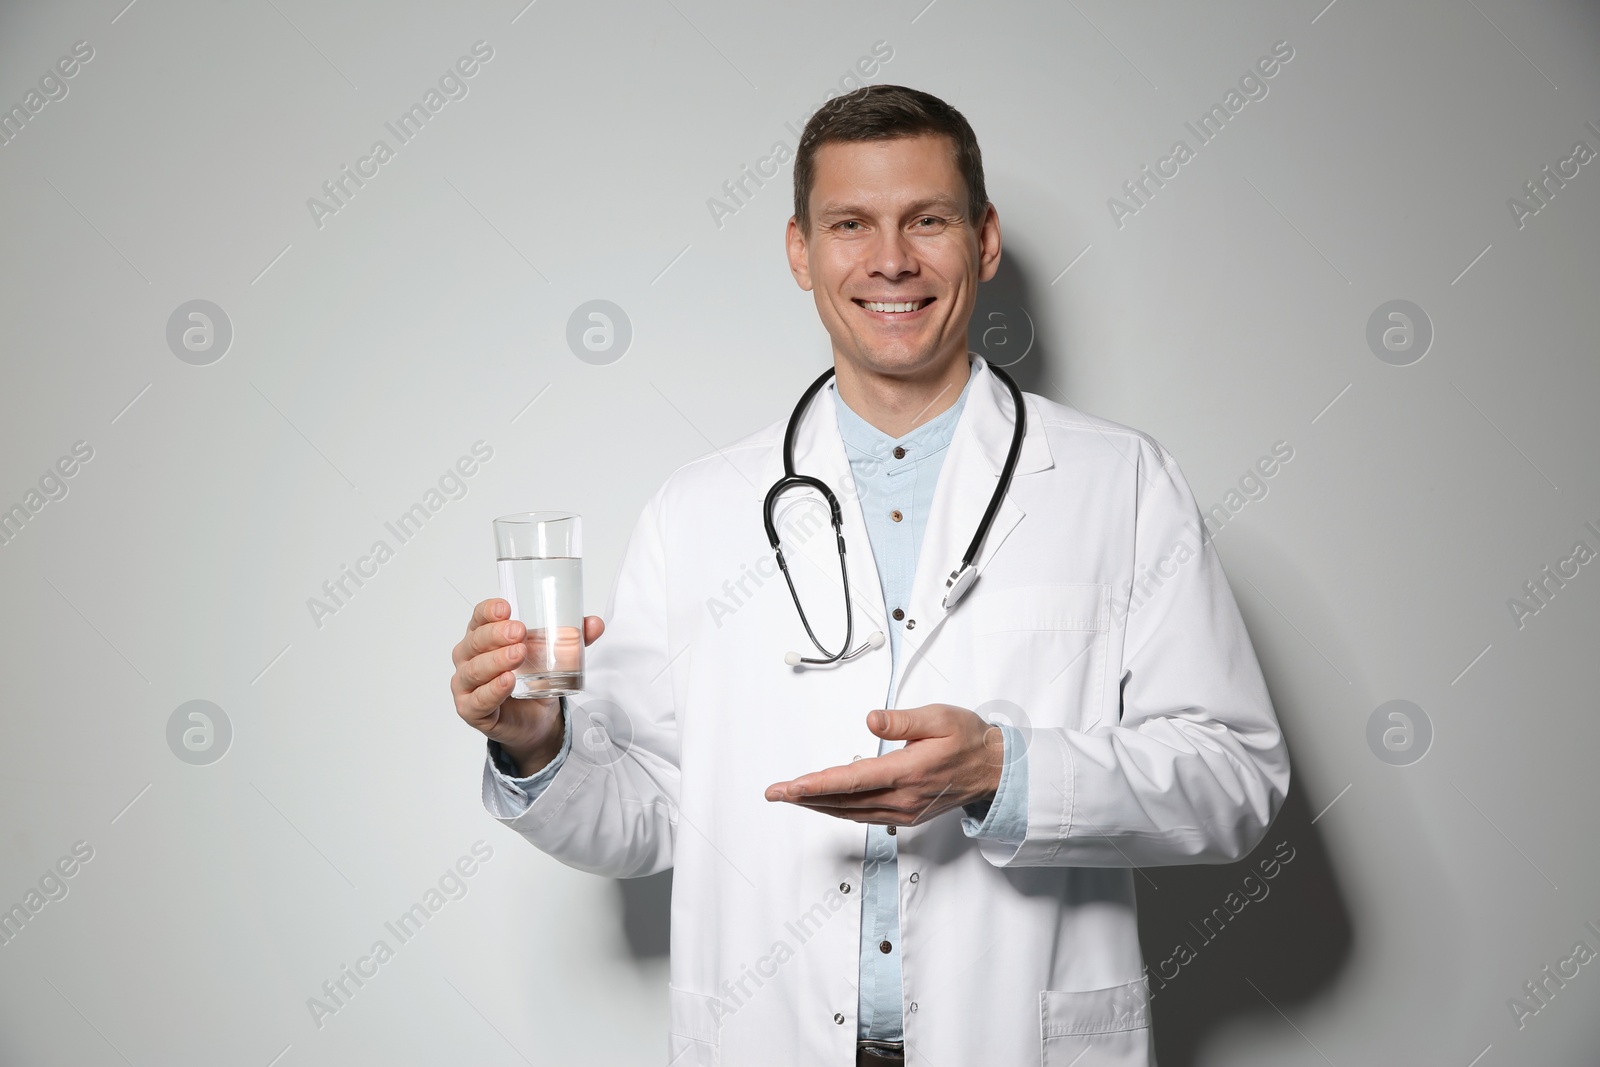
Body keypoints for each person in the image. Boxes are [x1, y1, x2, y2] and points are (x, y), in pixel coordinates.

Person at [450, 84, 1289, 1067]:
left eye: (925, 220)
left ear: (982, 241)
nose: (890, 259)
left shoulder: (1121, 482)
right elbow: (647, 814)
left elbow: (1235, 778)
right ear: (801, 250)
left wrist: (1000, 772)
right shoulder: (700, 508)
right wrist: (536, 741)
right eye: (851, 224)